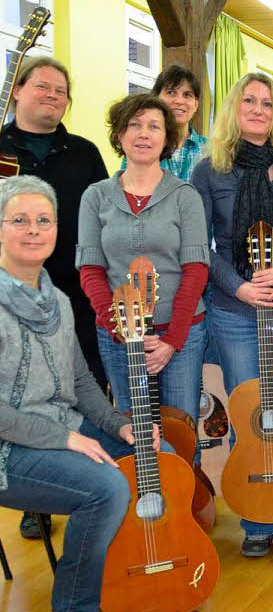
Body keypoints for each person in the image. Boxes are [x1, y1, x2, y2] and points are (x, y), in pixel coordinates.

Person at [0, 175, 159, 612]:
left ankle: (135, 568)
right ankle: (73, 611)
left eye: (43, 220)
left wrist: (117, 425)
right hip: (11, 451)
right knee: (105, 487)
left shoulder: (59, 301)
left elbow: (82, 383)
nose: (33, 230)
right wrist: (63, 439)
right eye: (20, 220)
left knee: (158, 452)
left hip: (65, 428)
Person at [192, 72, 273, 557]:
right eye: (250, 100)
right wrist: (239, 286)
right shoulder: (208, 171)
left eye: (268, 102)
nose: (259, 109)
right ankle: (256, 520)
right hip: (234, 311)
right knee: (249, 416)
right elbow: (201, 246)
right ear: (234, 108)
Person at [0, 56, 109, 541]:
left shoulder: (84, 152)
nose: (52, 96)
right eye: (42, 87)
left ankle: (79, 477)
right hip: (8, 289)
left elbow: (104, 217)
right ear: (18, 90)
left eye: (61, 91)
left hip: (73, 290)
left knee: (77, 382)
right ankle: (36, 496)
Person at [77, 93, 209, 426]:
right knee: (133, 432)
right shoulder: (95, 196)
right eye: (133, 125)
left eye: (153, 126)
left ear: (166, 138)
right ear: (119, 135)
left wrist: (171, 340)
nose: (143, 134)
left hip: (180, 336)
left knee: (183, 431)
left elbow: (195, 270)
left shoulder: (185, 196)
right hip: (117, 337)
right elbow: (91, 271)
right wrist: (121, 331)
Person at [120, 65, 208, 183]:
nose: (179, 101)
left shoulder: (211, 150)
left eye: (187, 95)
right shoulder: (142, 146)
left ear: (196, 105)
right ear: (156, 99)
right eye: (171, 92)